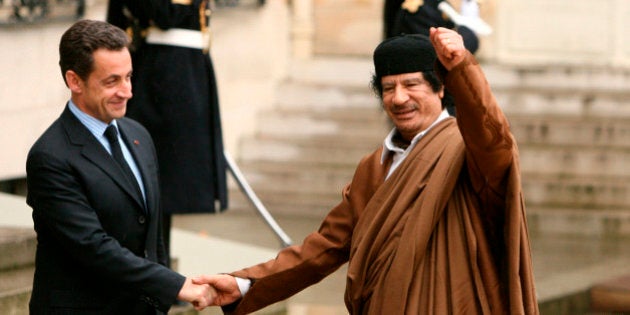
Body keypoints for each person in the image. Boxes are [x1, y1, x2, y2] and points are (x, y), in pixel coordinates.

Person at [194, 27, 539, 314]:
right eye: (388, 88)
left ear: (441, 86)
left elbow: (493, 137)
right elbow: (324, 248)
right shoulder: (373, 167)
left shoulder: (469, 151)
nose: (399, 98)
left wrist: (463, 68)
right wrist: (244, 284)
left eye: (411, 84)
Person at [26, 19, 215, 314]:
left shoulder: (138, 135)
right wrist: (175, 285)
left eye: (128, 77)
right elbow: (93, 248)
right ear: (74, 81)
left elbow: (154, 235)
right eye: (111, 81)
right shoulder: (50, 157)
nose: (126, 91)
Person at [106, 0, 229, 269]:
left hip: (185, 73)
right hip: (157, 75)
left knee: (167, 183)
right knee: (148, 178)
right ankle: (149, 265)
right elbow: (161, 14)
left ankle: (158, 265)